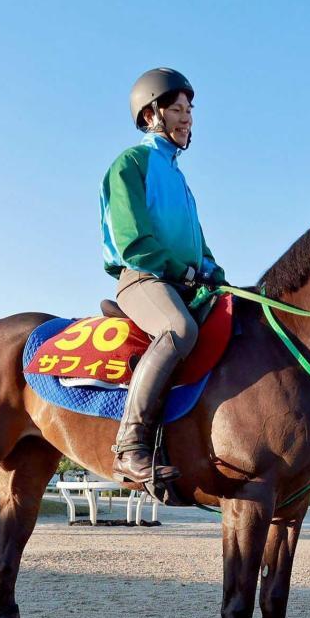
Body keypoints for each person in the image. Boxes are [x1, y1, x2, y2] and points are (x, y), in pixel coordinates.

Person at [100, 67, 226, 485]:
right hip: (143, 278)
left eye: (190, 109)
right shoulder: (130, 164)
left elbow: (199, 248)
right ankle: (130, 447)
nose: (187, 117)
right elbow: (133, 241)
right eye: (177, 108)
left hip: (182, 282)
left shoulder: (181, 180)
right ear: (152, 114)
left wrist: (216, 275)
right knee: (178, 329)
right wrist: (184, 271)